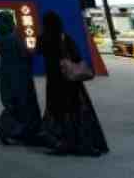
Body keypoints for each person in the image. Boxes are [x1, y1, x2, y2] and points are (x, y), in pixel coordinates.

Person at [39, 10, 108, 156]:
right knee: (75, 109)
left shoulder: (44, 38)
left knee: (58, 110)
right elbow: (77, 56)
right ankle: (83, 143)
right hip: (71, 80)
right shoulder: (65, 37)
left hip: (55, 80)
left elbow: (37, 52)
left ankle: (63, 143)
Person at [0, 11, 43, 146]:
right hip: (20, 74)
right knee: (24, 102)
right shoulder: (14, 37)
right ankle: (17, 130)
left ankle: (7, 128)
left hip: (6, 74)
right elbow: (24, 54)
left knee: (12, 102)